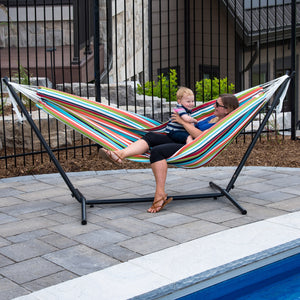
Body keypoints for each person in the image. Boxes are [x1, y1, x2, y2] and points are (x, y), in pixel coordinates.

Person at [100, 93, 239, 213]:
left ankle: (160, 195)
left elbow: (201, 136)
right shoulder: (212, 117)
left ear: (227, 110)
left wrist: (181, 121)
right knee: (151, 136)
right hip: (182, 137)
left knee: (157, 152)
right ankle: (120, 154)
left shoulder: (222, 124)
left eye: (217, 104)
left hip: (191, 147)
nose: (214, 106)